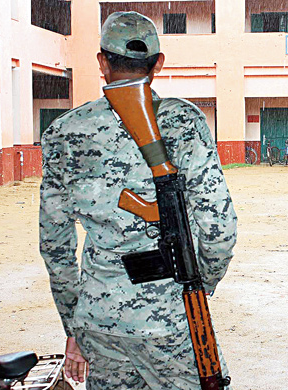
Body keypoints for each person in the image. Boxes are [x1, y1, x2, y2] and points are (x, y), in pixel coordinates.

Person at [39, 11, 237, 389]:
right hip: (170, 319)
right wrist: (199, 284)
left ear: (102, 62)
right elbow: (219, 227)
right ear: (158, 63)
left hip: (99, 320)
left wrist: (74, 323)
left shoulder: (63, 133)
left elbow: (55, 246)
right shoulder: (182, 122)